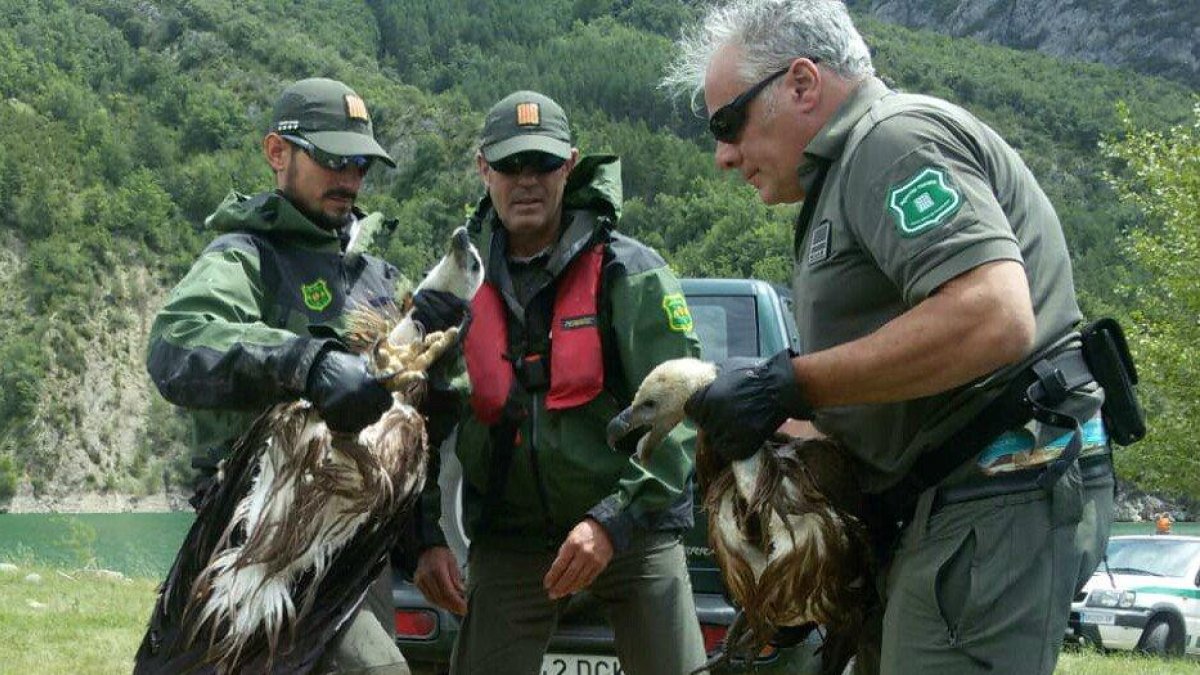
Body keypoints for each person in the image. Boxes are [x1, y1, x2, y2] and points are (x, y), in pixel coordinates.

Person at [662, 1, 1117, 673]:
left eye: (728, 123)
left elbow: (994, 314)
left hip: (995, 490)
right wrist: (787, 430)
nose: (724, 156)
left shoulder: (891, 141)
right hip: (947, 502)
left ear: (802, 84)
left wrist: (787, 381)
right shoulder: (847, 171)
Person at [137, 77, 462, 674]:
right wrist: (303, 361)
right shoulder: (244, 257)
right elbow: (177, 343)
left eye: (362, 163)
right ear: (276, 152)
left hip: (359, 544)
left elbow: (406, 429)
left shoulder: (377, 278)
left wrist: (436, 354)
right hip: (263, 534)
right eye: (334, 158)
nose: (351, 178)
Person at [409, 90, 708, 675]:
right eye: (510, 165)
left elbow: (683, 409)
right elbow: (419, 421)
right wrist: (424, 536)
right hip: (513, 539)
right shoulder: (451, 287)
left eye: (543, 164)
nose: (527, 181)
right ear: (482, 168)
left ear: (569, 165)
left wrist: (613, 519)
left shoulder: (631, 272)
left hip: (630, 529)